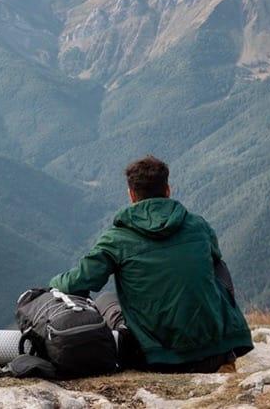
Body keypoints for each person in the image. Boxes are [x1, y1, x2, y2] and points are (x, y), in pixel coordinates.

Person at [48, 155, 253, 373]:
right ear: (168, 190)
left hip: (154, 360)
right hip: (214, 354)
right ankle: (226, 354)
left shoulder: (116, 239)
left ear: (132, 195)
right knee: (217, 266)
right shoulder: (198, 226)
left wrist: (54, 282)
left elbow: (77, 282)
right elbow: (215, 261)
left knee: (106, 299)